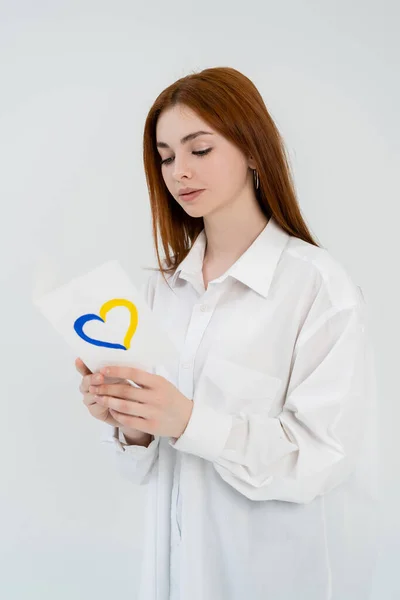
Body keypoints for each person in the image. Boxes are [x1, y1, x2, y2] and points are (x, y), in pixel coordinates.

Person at [76, 67, 380, 600]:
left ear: (254, 150)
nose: (179, 173)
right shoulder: (162, 290)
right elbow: (144, 471)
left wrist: (189, 419)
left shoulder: (317, 286)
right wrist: (133, 423)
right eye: (166, 156)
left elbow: (320, 458)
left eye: (200, 149)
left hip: (270, 575)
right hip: (174, 574)